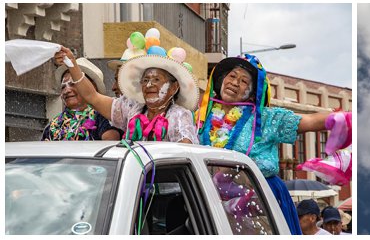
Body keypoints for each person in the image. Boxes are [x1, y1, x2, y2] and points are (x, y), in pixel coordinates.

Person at [197, 55, 335, 235]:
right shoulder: (202, 118)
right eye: (232, 76)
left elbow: (309, 121)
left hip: (260, 202)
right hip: (212, 202)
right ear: (222, 79)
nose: (235, 82)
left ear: (253, 92)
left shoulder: (265, 118)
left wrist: (344, 118)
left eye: (244, 81)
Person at [53, 31, 199, 144]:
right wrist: (72, 63)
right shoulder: (132, 108)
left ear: (174, 87)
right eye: (145, 80)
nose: (149, 85)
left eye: (156, 80)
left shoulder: (179, 116)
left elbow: (185, 156)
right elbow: (92, 97)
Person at [43, 58, 122, 141]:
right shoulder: (53, 126)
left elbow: (109, 147)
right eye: (63, 87)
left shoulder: (105, 116)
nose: (67, 90)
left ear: (92, 87)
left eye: (73, 84)